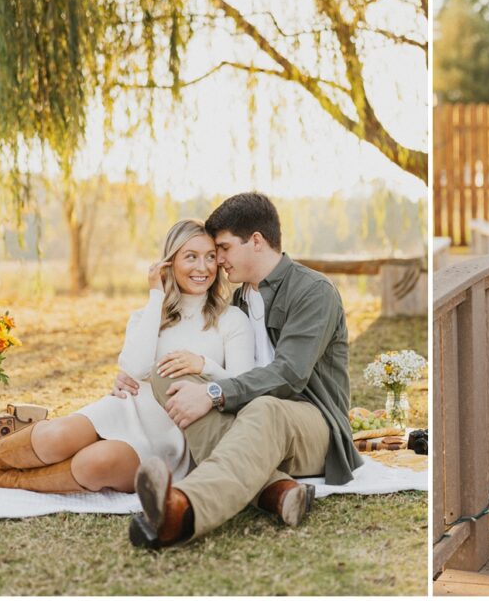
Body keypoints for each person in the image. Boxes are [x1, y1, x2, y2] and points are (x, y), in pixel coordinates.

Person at [0, 219, 253, 493]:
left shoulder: (231, 320)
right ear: (170, 263)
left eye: (210, 257)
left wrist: (204, 366)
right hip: (126, 410)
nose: (203, 267)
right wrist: (156, 295)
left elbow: (245, 387)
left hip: (174, 441)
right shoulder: (147, 315)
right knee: (56, 437)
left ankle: (4, 480)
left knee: (94, 463)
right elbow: (136, 367)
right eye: (191, 257)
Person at [120, 191, 363, 548]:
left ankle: (182, 510)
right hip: (253, 420)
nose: (216, 260)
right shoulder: (240, 300)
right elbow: (235, 374)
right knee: (168, 372)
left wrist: (214, 393)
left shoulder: (313, 291)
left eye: (223, 248)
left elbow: (289, 376)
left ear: (257, 242)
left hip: (314, 427)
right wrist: (137, 376)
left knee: (264, 408)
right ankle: (278, 492)